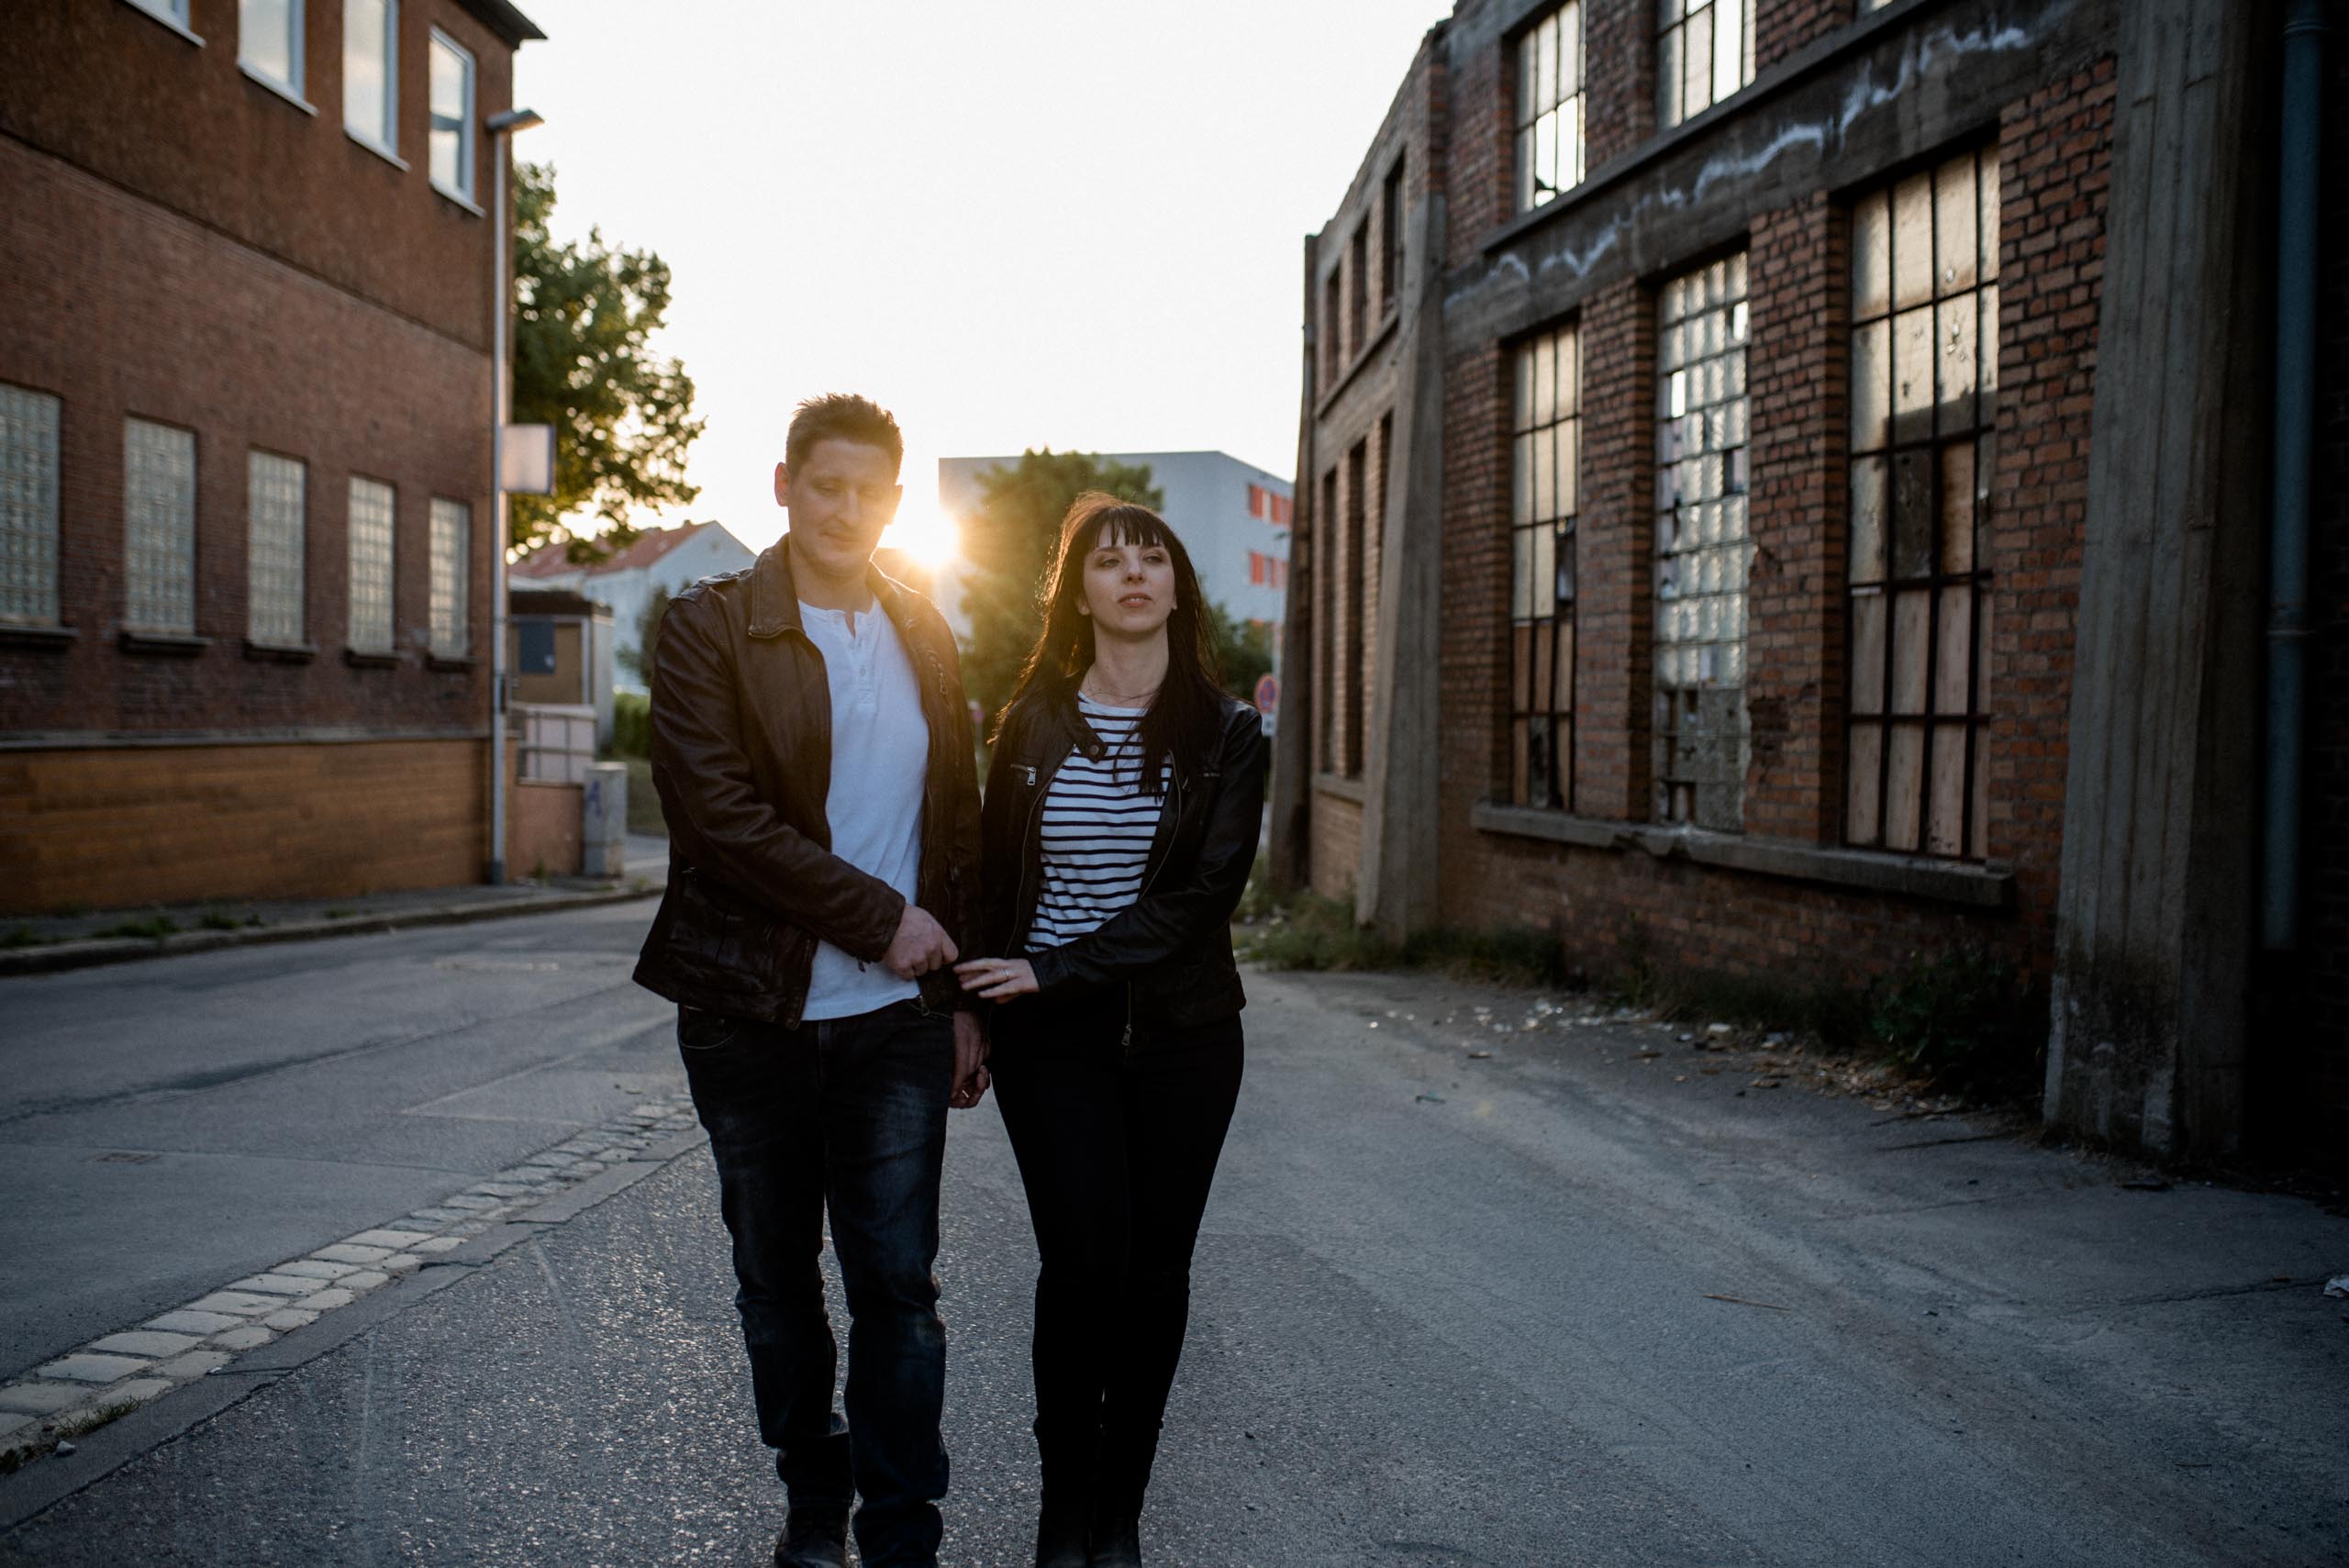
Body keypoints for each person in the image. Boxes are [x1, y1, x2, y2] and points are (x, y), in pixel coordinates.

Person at [633, 394, 990, 1568]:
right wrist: (881, 919)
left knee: (898, 1285)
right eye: (824, 485)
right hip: (752, 1015)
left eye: (868, 491)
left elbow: (955, 825)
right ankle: (811, 1484)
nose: (845, 508)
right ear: (784, 486)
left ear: (895, 502)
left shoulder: (922, 626)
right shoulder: (709, 626)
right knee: (776, 1283)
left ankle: (902, 1532)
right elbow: (717, 817)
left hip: (895, 1023)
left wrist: (961, 997)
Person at [955, 493, 1266, 1568]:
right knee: (1082, 1265)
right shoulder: (1033, 720)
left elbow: (1201, 899)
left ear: (1177, 587)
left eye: (1151, 556)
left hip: (1184, 1033)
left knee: (1155, 1272)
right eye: (1107, 559)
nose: (1132, 572)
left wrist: (1055, 964)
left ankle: (1120, 1510)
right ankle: (1064, 1510)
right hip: (1051, 1039)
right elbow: (992, 875)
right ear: (1076, 594)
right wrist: (970, 1007)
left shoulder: (1227, 733)